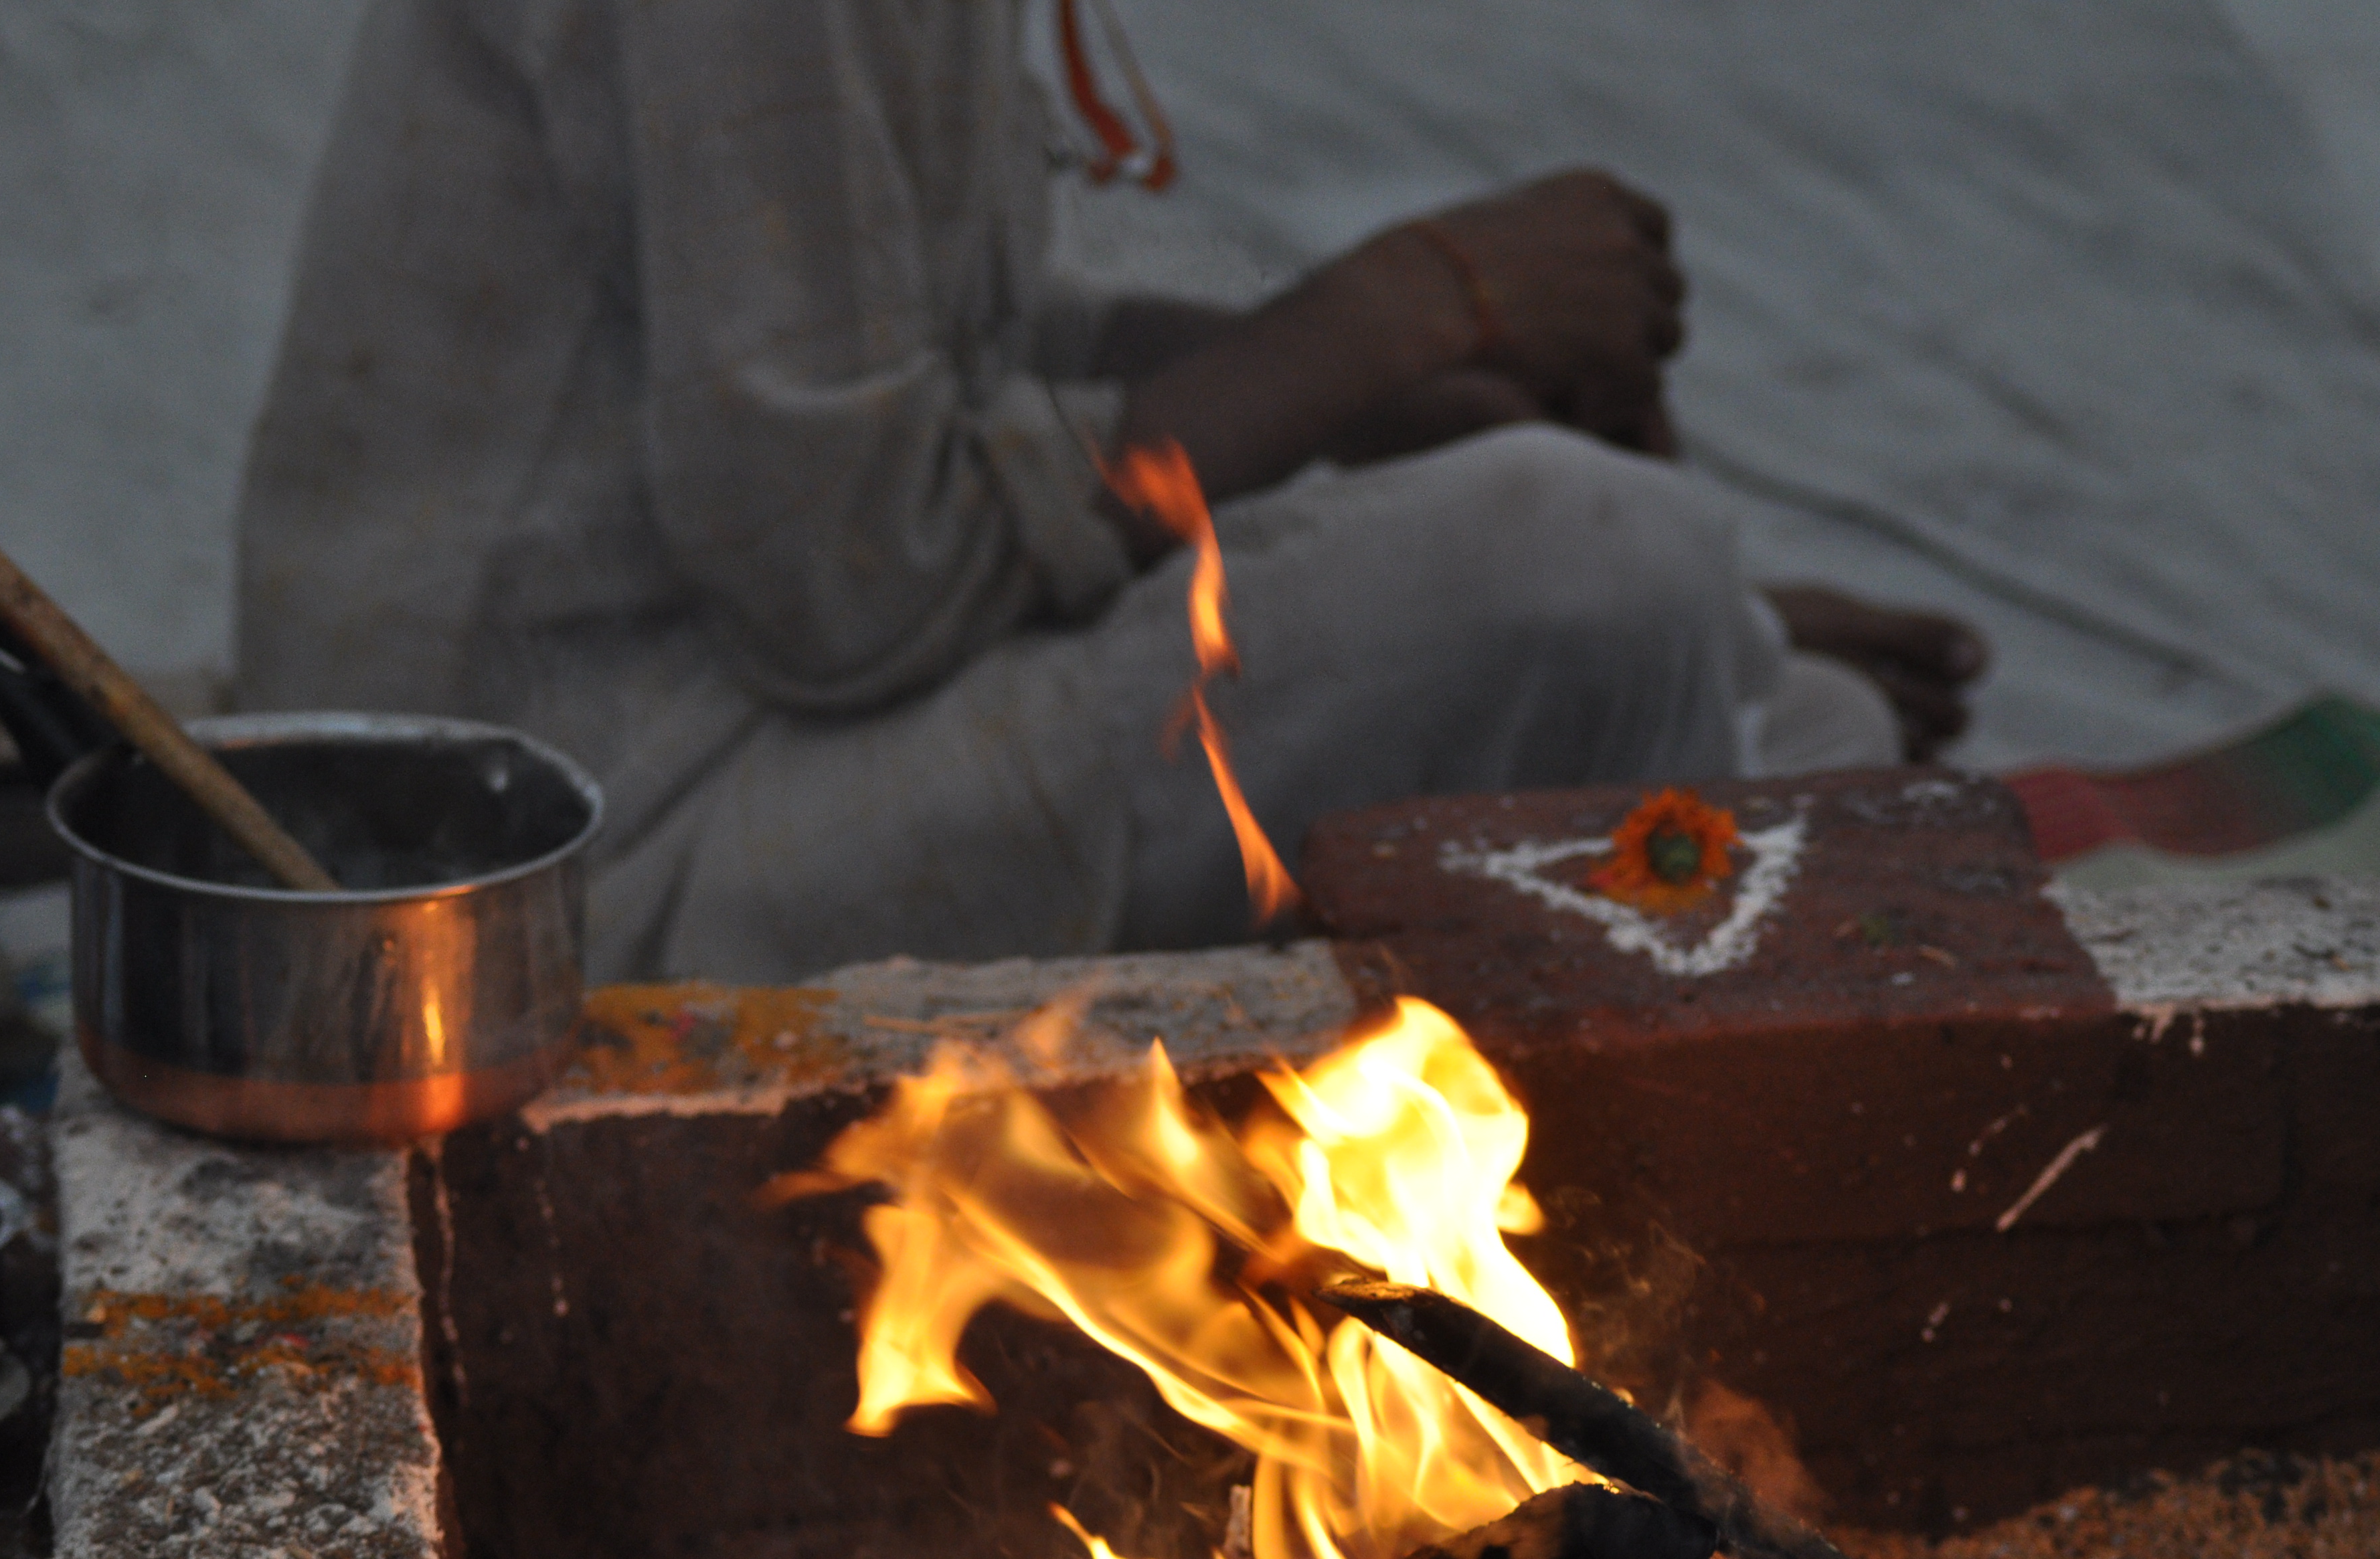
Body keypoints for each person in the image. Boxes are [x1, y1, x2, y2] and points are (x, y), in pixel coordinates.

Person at [236, 0, 1984, 982]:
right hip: (568, 892)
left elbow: (937, 351)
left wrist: (1399, 394)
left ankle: (1710, 710)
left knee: (1791, 709)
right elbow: (851, 582)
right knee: (1604, 565)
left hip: (765, 731)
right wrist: (1395, 311)